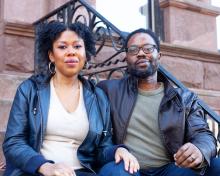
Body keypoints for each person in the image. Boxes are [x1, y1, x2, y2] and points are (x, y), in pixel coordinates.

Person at [2, 21, 139, 176]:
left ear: (86, 54)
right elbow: (13, 142)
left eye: (77, 46)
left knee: (125, 171)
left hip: (82, 172)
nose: (71, 52)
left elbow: (102, 147)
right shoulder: (30, 90)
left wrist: (118, 150)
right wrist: (45, 166)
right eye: (62, 47)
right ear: (51, 55)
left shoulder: (98, 97)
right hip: (39, 171)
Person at [97, 28, 220, 176]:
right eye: (133, 50)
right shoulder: (109, 91)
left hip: (171, 169)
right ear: (127, 58)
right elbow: (99, 137)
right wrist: (115, 150)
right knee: (113, 171)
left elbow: (202, 133)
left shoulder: (184, 99)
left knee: (215, 165)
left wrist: (200, 149)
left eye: (148, 48)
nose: (141, 53)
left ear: (159, 55)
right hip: (128, 169)